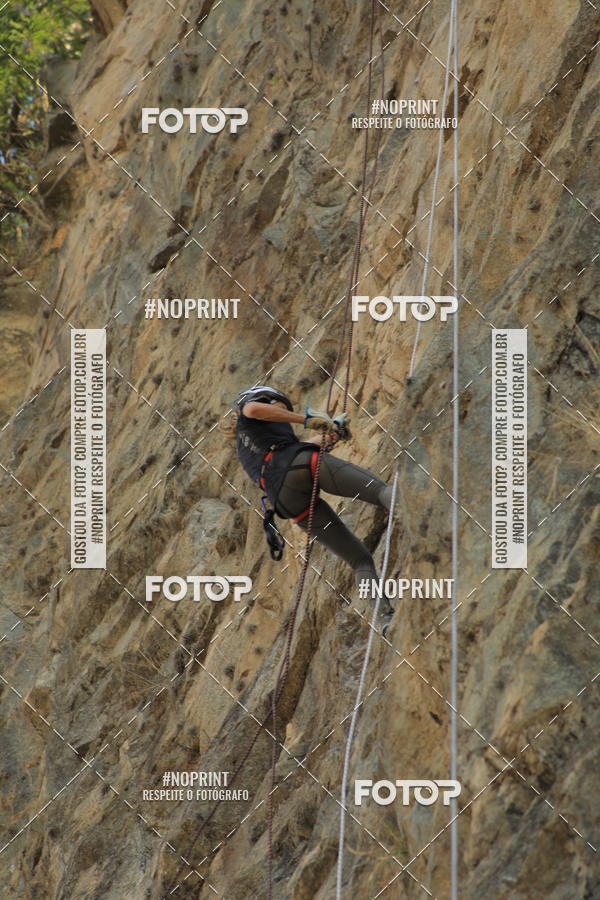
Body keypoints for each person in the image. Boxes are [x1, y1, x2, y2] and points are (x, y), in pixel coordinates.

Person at [233, 385, 395, 629]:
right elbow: (254, 409)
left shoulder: (251, 441)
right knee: (380, 492)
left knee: (360, 560)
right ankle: (429, 514)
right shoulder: (250, 411)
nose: (282, 411)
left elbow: (296, 449)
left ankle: (384, 619)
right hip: (298, 464)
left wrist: (331, 434)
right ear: (264, 398)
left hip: (286, 498)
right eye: (280, 405)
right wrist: (308, 419)